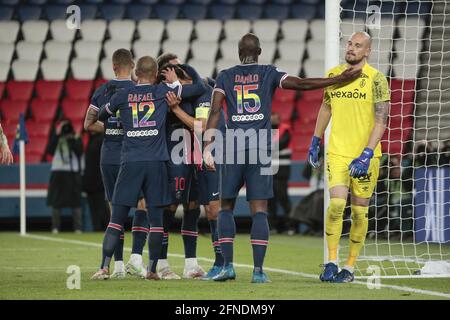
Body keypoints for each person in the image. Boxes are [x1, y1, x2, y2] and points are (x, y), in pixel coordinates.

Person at [204, 33, 361, 283]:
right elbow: (300, 84)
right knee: (260, 211)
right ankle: (257, 271)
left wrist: (207, 146)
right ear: (260, 51)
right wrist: (338, 80)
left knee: (225, 207)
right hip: (259, 147)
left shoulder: (225, 75)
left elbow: (214, 111)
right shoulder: (268, 72)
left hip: (232, 145)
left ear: (237, 51)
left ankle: (227, 267)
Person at [91, 56, 206, 280]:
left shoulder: (121, 95)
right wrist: (177, 75)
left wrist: (118, 114)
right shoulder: (162, 92)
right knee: (156, 221)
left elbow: (101, 115)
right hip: (156, 163)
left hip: (130, 162)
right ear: (155, 75)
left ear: (136, 75)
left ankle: (104, 267)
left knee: (117, 217)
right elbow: (199, 87)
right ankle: (152, 270)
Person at [308, 31, 390, 283]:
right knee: (335, 205)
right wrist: (315, 138)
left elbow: (381, 120)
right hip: (338, 152)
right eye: (350, 44)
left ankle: (350, 267)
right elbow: (326, 106)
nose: (351, 48)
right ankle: (331, 262)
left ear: (368, 51)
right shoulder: (334, 75)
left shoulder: (377, 79)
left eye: (358, 45)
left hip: (366, 156)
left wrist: (366, 153)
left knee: (359, 213)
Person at [84, 49, 150, 279]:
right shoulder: (138, 90)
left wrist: (110, 129)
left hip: (108, 156)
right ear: (132, 65)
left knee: (116, 210)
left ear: (113, 66)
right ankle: (136, 258)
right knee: (142, 204)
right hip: (133, 154)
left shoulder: (102, 91)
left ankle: (117, 266)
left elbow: (88, 124)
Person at [162, 64, 227, 280]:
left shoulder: (204, 92)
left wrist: (176, 109)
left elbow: (201, 126)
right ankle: (165, 264)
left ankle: (222, 263)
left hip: (212, 153)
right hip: (194, 157)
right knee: (202, 209)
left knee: (213, 209)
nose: (178, 89)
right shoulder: (192, 94)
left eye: (180, 83)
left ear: (188, 80)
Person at [154, 54, 207, 280]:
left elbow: (200, 87)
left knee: (192, 207)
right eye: (174, 67)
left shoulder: (187, 88)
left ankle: (191, 264)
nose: (180, 69)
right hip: (172, 153)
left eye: (180, 66)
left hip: (192, 152)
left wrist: (178, 84)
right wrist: (175, 86)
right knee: (170, 206)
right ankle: (162, 264)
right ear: (164, 72)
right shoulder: (160, 92)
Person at [46, 120, 84, 233]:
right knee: (56, 201)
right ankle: (55, 227)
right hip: (58, 171)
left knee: (76, 201)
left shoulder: (76, 138)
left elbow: (79, 152)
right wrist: (57, 134)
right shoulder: (57, 138)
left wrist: (72, 139)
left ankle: (78, 228)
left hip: (72, 172)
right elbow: (50, 151)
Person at [268, 112, 294, 235]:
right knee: (270, 199)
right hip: (268, 169)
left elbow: (281, 145)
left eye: (275, 117)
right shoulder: (265, 130)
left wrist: (268, 147)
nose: (273, 120)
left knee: (283, 197)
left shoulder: (285, 130)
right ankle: (272, 226)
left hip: (282, 170)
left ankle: (290, 225)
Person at [82, 131, 110, 231]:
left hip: (99, 181)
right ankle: (97, 229)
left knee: (101, 208)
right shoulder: (92, 139)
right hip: (90, 181)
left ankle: (110, 229)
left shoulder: (101, 139)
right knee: (94, 209)